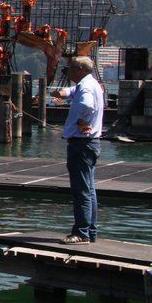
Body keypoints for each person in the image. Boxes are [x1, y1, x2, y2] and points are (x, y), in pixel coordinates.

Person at [56, 56, 104, 244]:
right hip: (91, 142)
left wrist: (81, 122)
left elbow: (86, 105)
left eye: (70, 68)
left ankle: (81, 233)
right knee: (89, 190)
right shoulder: (89, 84)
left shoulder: (86, 88)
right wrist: (61, 93)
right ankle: (90, 231)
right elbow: (72, 91)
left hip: (81, 143)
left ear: (80, 70)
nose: (68, 71)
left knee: (81, 191)